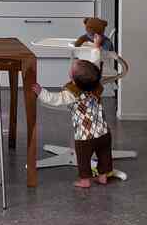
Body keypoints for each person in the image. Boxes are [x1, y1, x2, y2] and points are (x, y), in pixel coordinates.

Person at [32, 34, 113, 189]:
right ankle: (103, 176)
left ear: (73, 80)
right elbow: (95, 64)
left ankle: (85, 180)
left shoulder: (72, 93)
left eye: (73, 68)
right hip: (103, 132)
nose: (72, 65)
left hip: (85, 136)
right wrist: (96, 47)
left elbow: (54, 99)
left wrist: (41, 91)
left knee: (83, 158)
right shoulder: (96, 83)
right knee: (104, 154)